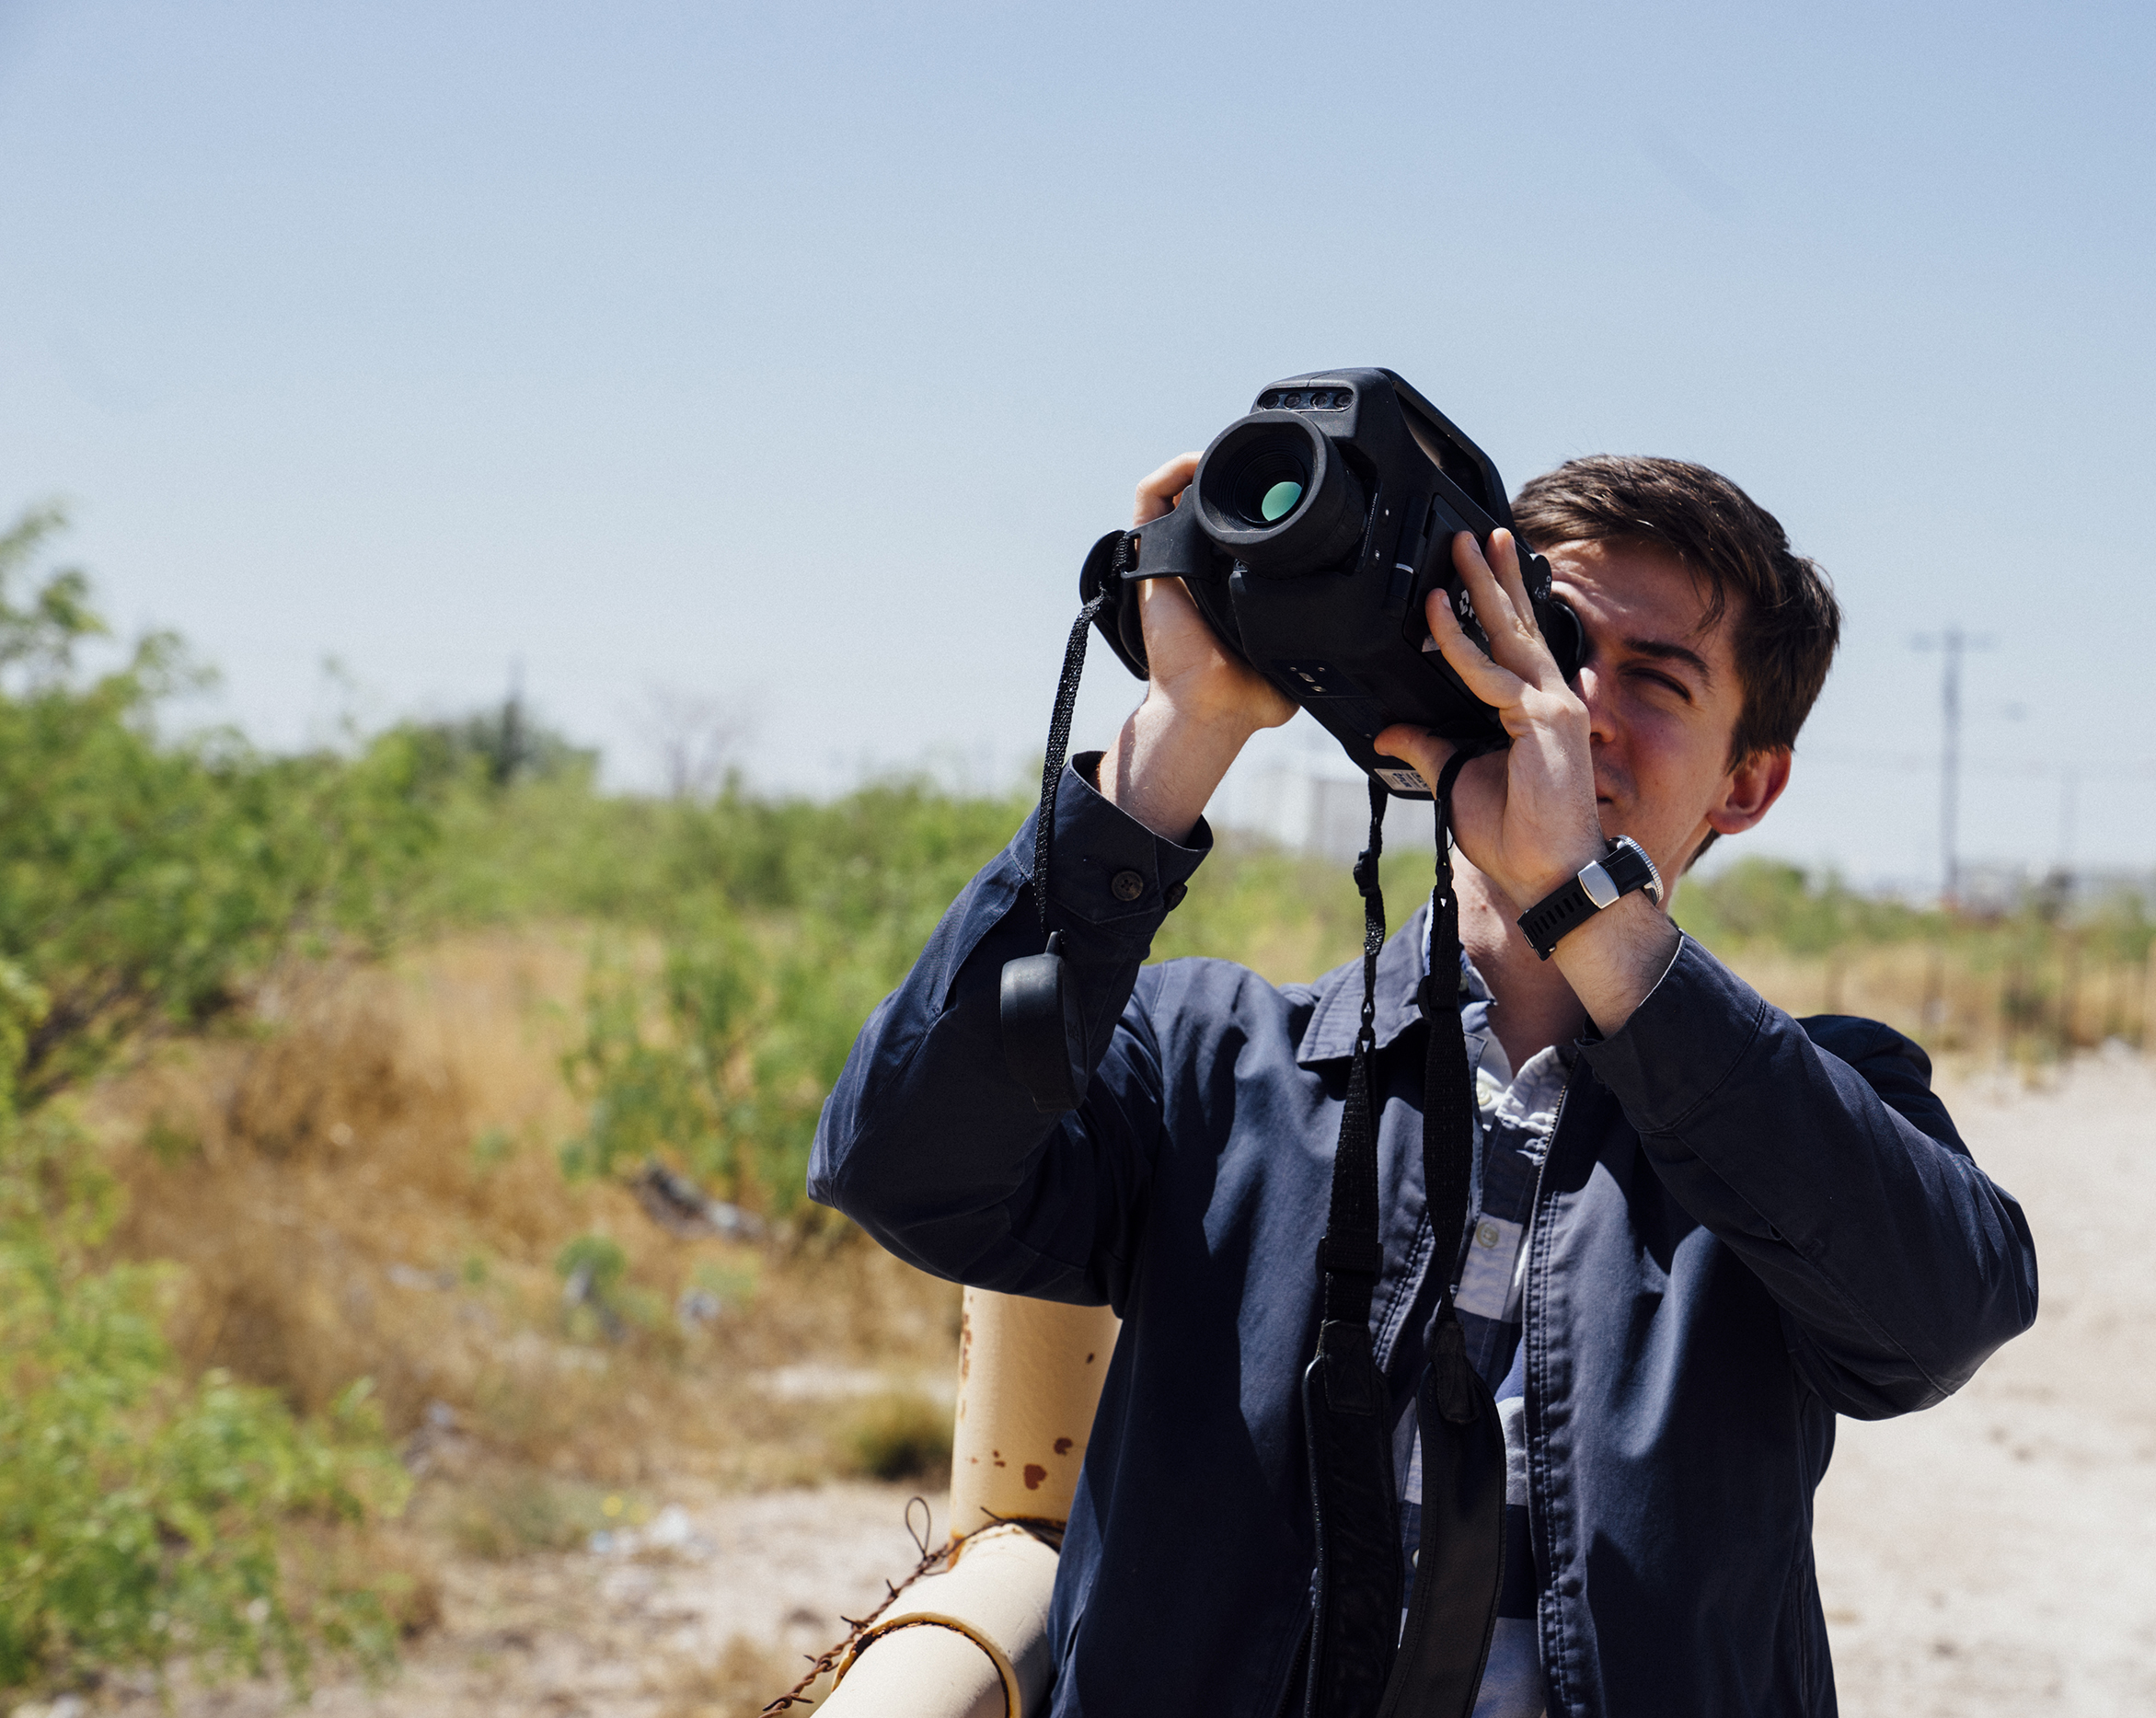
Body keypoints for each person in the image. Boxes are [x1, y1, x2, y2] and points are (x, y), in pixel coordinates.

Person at [810, 450, 2039, 1718]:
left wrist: (1590, 912)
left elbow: (1939, 1321)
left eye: (1657, 682)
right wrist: (1190, 728)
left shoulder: (1822, 1096)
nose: (1568, 709)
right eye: (1545, 641)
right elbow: (901, 1162)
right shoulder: (1211, 1062)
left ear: (1749, 782)